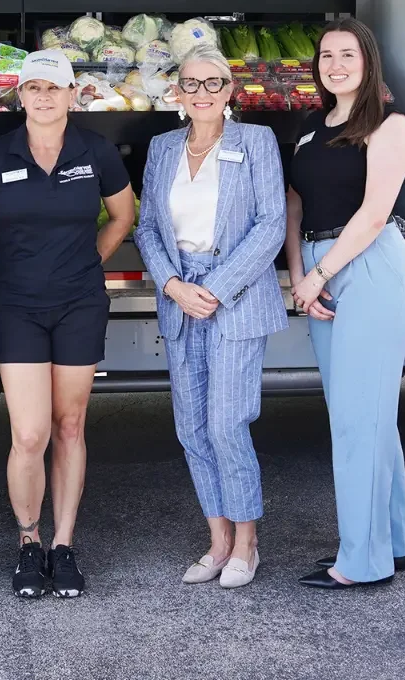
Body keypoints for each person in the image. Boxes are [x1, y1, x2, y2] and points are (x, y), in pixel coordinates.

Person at [0, 48, 136, 599]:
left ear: (71, 95)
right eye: (33, 88)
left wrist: (91, 257)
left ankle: (63, 545)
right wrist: (9, 266)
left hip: (79, 301)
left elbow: (123, 214)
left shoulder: (98, 151)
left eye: (53, 87)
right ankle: (28, 541)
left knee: (69, 425)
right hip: (18, 304)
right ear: (21, 96)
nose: (43, 96)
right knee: (29, 432)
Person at [133, 45, 289, 590]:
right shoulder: (162, 147)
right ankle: (219, 540)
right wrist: (174, 286)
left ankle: (248, 543)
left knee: (227, 424)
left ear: (229, 90)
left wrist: (215, 289)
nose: (202, 93)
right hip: (180, 297)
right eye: (191, 83)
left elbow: (271, 224)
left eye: (213, 83)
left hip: (235, 297)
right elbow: (147, 227)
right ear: (178, 92)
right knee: (191, 428)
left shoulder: (256, 141)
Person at [285, 17, 405, 590]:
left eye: (348, 54)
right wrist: (299, 275)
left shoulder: (390, 125)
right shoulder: (312, 125)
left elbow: (371, 215)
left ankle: (362, 562)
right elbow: (295, 203)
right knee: (367, 416)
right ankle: (395, 540)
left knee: (356, 422)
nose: (335, 65)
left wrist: (318, 274)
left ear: (368, 62)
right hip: (321, 270)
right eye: (325, 56)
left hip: (369, 269)